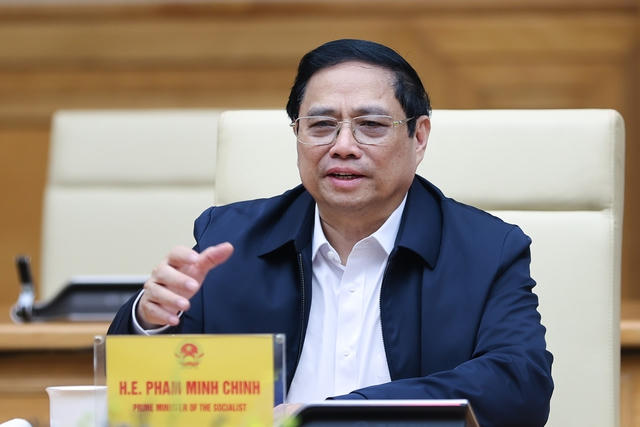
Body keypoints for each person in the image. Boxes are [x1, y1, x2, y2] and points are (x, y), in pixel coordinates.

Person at [109, 39, 553, 426]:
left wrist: (332, 416)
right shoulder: (230, 242)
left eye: (371, 126)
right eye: (321, 125)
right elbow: (139, 393)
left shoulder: (488, 250)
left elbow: (519, 386)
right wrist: (148, 323)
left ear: (419, 137)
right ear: (297, 134)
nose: (343, 146)